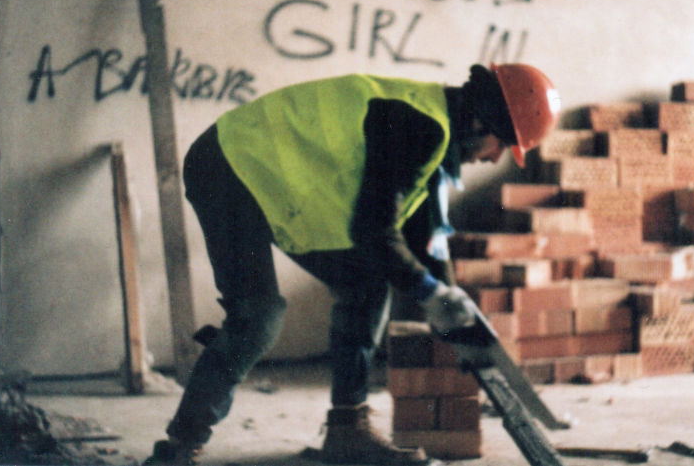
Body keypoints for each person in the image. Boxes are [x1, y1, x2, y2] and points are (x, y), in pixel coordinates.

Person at [144, 63, 561, 465]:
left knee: (366, 284)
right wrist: (432, 294)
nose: (493, 160)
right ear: (482, 124)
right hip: (231, 166)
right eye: (503, 147)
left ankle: (347, 430)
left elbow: (423, 238)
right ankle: (180, 446)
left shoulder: (436, 129)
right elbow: (374, 232)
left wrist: (452, 306)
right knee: (258, 316)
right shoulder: (419, 126)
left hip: (275, 183)